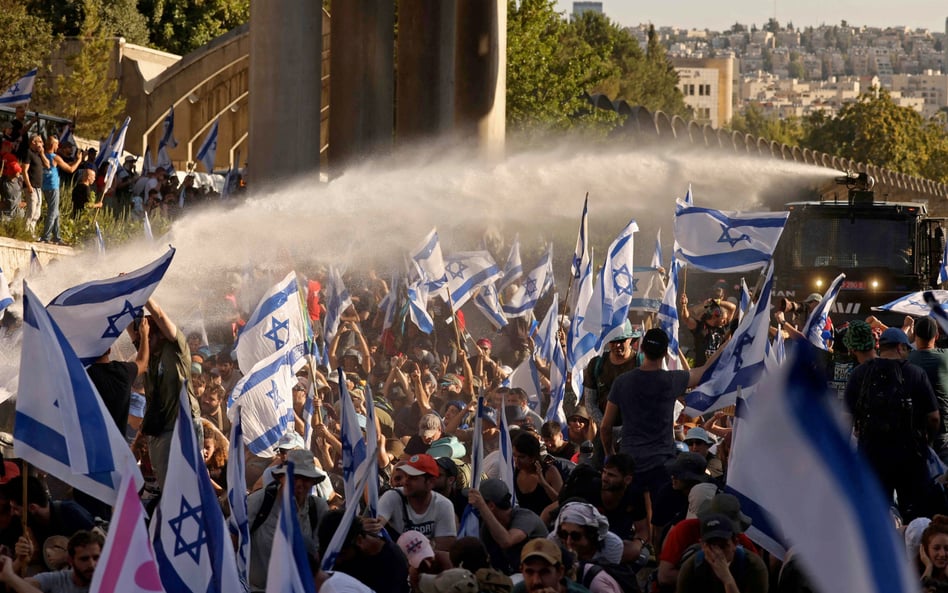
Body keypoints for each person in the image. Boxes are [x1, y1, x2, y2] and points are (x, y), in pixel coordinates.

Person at [601, 329, 716, 510]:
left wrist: (610, 454)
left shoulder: (622, 382)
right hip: (662, 465)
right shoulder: (671, 380)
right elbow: (705, 371)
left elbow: (605, 427)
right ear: (665, 353)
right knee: (660, 520)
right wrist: (729, 342)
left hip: (630, 464)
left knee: (634, 522)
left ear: (641, 349)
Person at [844, 327, 939, 521]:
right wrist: (928, 442)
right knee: (916, 515)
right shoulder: (916, 373)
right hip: (911, 456)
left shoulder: (859, 374)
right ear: (901, 348)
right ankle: (914, 548)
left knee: (874, 516)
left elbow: (846, 419)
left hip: (871, 456)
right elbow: (934, 417)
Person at [126, 298, 202, 489]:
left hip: (184, 425)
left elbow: (158, 314)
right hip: (160, 430)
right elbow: (130, 330)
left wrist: (142, 294)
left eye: (146, 335)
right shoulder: (148, 353)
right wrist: (125, 297)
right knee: (167, 485)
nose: (142, 340)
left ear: (159, 334)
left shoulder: (177, 348)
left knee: (190, 480)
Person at [247, 449, 329, 591]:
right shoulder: (258, 503)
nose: (299, 484)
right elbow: (231, 540)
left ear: (313, 482)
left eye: (305, 478)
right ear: (281, 478)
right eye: (294, 477)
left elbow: (325, 552)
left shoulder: (318, 508)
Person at [364, 454, 457, 552]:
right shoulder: (392, 496)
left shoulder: (443, 505)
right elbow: (376, 523)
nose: (405, 482)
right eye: (406, 476)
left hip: (428, 561)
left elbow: (444, 547)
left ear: (430, 482)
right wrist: (371, 525)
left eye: (413, 478)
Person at [467, 478, 548, 575]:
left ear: (491, 506)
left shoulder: (525, 517)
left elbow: (507, 541)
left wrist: (482, 506)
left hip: (539, 574)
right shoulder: (487, 527)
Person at [317, 511, 410, 593]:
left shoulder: (392, 561)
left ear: (359, 540)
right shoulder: (332, 555)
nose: (336, 561)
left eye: (341, 554)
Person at [675, 512, 768, 593]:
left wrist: (727, 580)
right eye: (712, 547)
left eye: (723, 546)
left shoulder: (753, 566)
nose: (718, 553)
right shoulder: (692, 567)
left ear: (735, 543)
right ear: (703, 546)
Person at [0, 530, 104, 593]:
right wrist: (20, 561)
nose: (92, 564)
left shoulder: (109, 583)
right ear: (70, 560)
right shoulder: (58, 579)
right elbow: (19, 587)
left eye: (96, 558)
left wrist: (10, 577)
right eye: (84, 559)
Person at [583, 320, 640, 427]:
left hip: (635, 433)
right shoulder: (596, 364)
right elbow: (590, 403)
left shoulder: (642, 364)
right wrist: (606, 426)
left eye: (622, 340)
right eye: (612, 341)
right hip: (603, 432)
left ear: (631, 339)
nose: (617, 345)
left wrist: (627, 429)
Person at [910, 316, 948, 464]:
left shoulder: (908, 359)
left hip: (915, 433)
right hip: (943, 433)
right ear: (937, 336)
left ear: (915, 336)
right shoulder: (945, 357)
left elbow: (893, 349)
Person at [39, 136, 82, 244]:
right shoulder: (55, 157)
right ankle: (46, 237)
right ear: (53, 145)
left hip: (45, 186)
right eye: (57, 144)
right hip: (53, 187)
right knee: (52, 212)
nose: (58, 146)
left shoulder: (44, 156)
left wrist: (75, 160)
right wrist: (79, 160)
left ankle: (57, 237)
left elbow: (65, 165)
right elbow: (70, 169)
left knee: (56, 212)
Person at [512, 432, 563, 517]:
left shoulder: (550, 472)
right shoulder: (514, 471)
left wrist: (544, 485)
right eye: (514, 456)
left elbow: (562, 502)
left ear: (533, 457)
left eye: (522, 457)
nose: (517, 461)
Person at [513, 538, 591, 593]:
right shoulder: (520, 590)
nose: (536, 581)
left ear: (560, 572)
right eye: (529, 572)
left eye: (544, 572)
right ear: (522, 571)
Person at [680, 294, 734, 366]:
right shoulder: (699, 326)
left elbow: (733, 308)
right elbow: (686, 318)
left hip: (718, 369)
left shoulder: (723, 327)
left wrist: (716, 301)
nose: (725, 321)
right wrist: (684, 305)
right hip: (701, 370)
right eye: (724, 320)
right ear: (715, 315)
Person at [920, 514, 948, 592]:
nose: (942, 554)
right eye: (936, 548)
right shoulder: (911, 573)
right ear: (925, 549)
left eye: (947, 548)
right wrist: (928, 567)